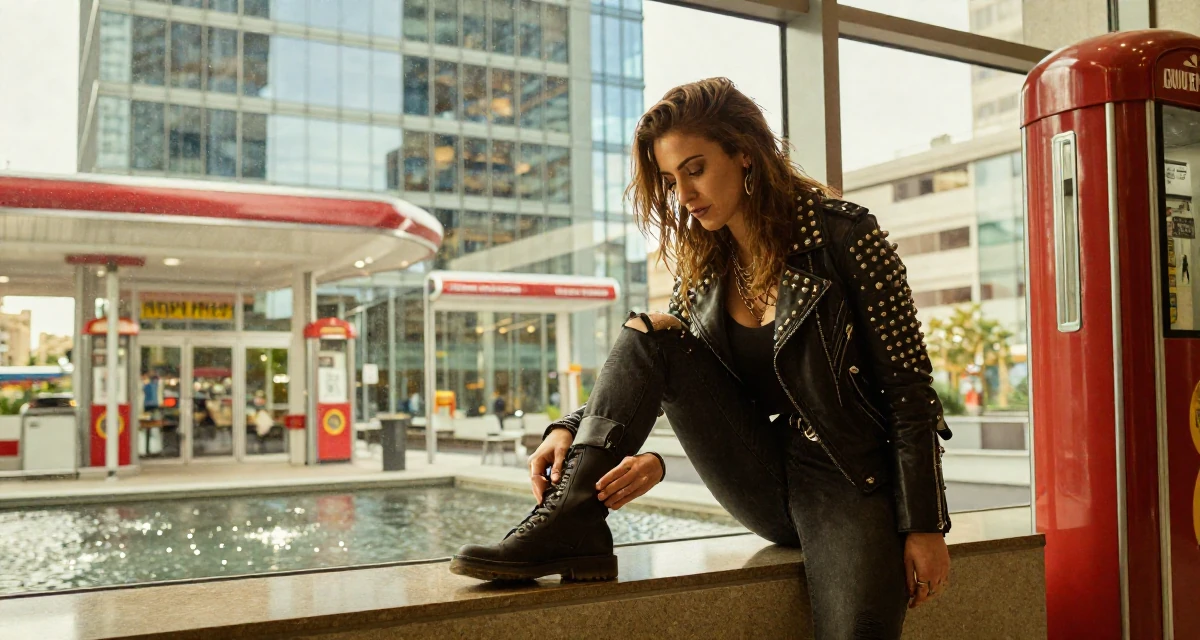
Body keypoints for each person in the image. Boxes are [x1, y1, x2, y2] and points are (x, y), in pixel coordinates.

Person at [450, 78, 953, 638]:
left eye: (695, 169)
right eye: (671, 180)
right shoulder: (706, 268)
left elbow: (910, 391)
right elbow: (663, 371)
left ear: (744, 153)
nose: (685, 194)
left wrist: (925, 526)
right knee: (649, 333)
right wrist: (570, 427)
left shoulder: (845, 236)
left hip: (849, 479)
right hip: (764, 478)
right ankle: (571, 520)